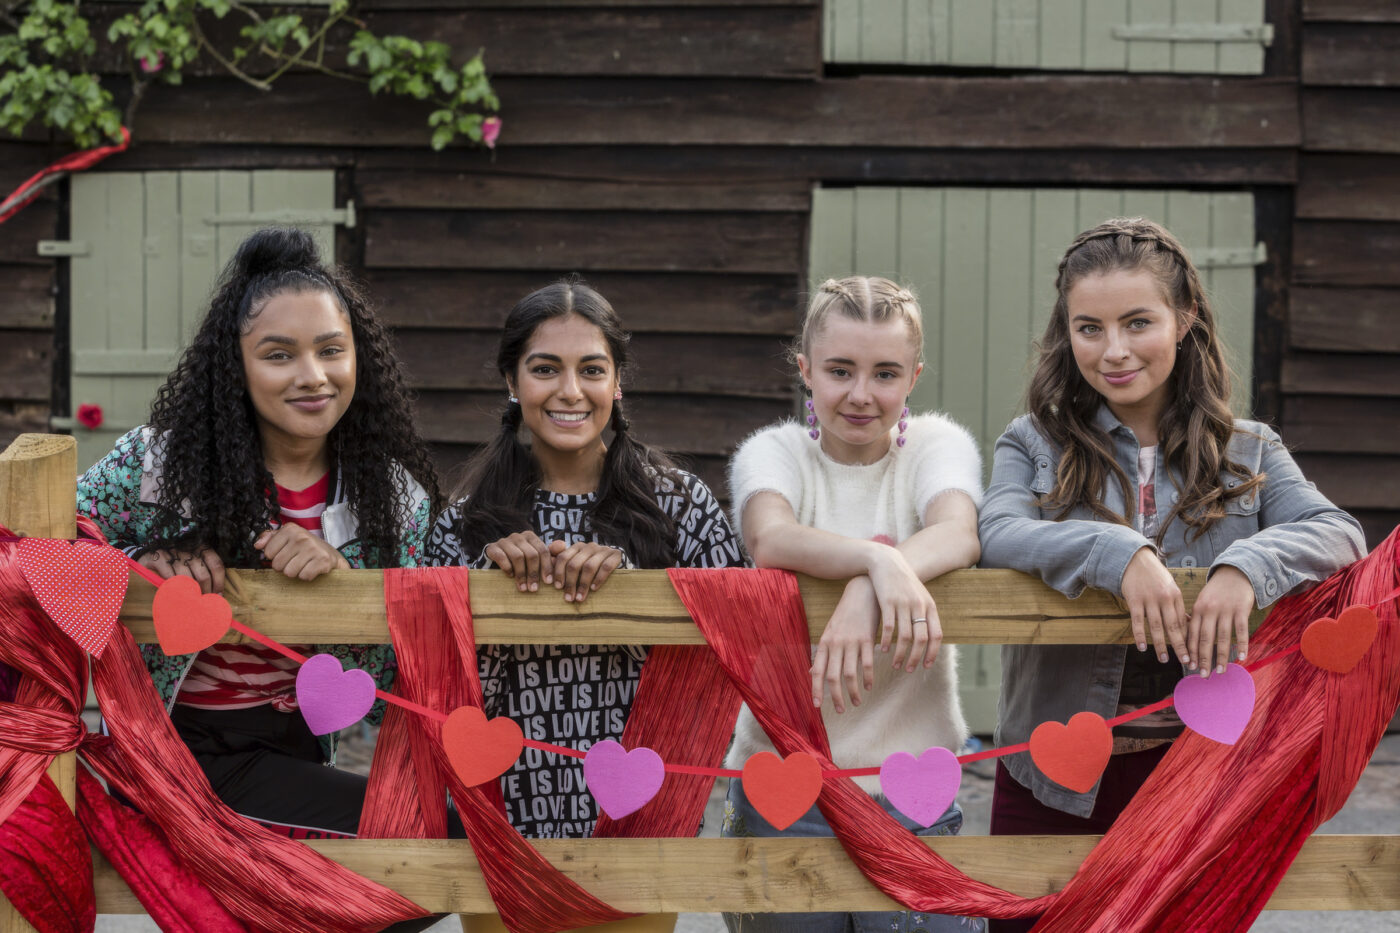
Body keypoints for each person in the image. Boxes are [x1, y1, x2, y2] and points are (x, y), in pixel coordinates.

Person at [978, 217, 1366, 933]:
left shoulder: (1250, 449)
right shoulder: (1032, 441)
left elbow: (1339, 532)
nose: (1113, 351)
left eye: (1137, 322)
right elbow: (997, 533)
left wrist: (1246, 566)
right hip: (1051, 772)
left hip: (1197, 773)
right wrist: (1117, 552)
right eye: (1089, 328)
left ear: (1184, 319)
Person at [77, 227, 443, 848]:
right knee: (432, 843)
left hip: (300, 751)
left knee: (431, 846)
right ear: (235, 367)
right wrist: (141, 561)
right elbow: (44, 543)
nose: (313, 376)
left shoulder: (393, 497)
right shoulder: (158, 465)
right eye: (279, 355)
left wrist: (344, 595)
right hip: (175, 755)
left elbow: (389, 693)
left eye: (332, 350)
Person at [422, 279, 742, 933]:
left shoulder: (681, 506)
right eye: (545, 369)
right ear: (512, 381)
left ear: (618, 382)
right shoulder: (466, 522)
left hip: (643, 824)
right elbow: (427, 684)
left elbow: (737, 647)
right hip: (501, 835)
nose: (570, 390)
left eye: (592, 369)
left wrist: (634, 593)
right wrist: (487, 589)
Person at [722, 276, 986, 933]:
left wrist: (868, 587)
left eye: (885, 373)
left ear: (914, 377)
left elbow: (958, 531)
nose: (861, 394)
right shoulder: (774, 451)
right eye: (840, 370)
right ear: (806, 369)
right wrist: (878, 561)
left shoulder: (936, 445)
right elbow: (770, 537)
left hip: (910, 782)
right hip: (782, 782)